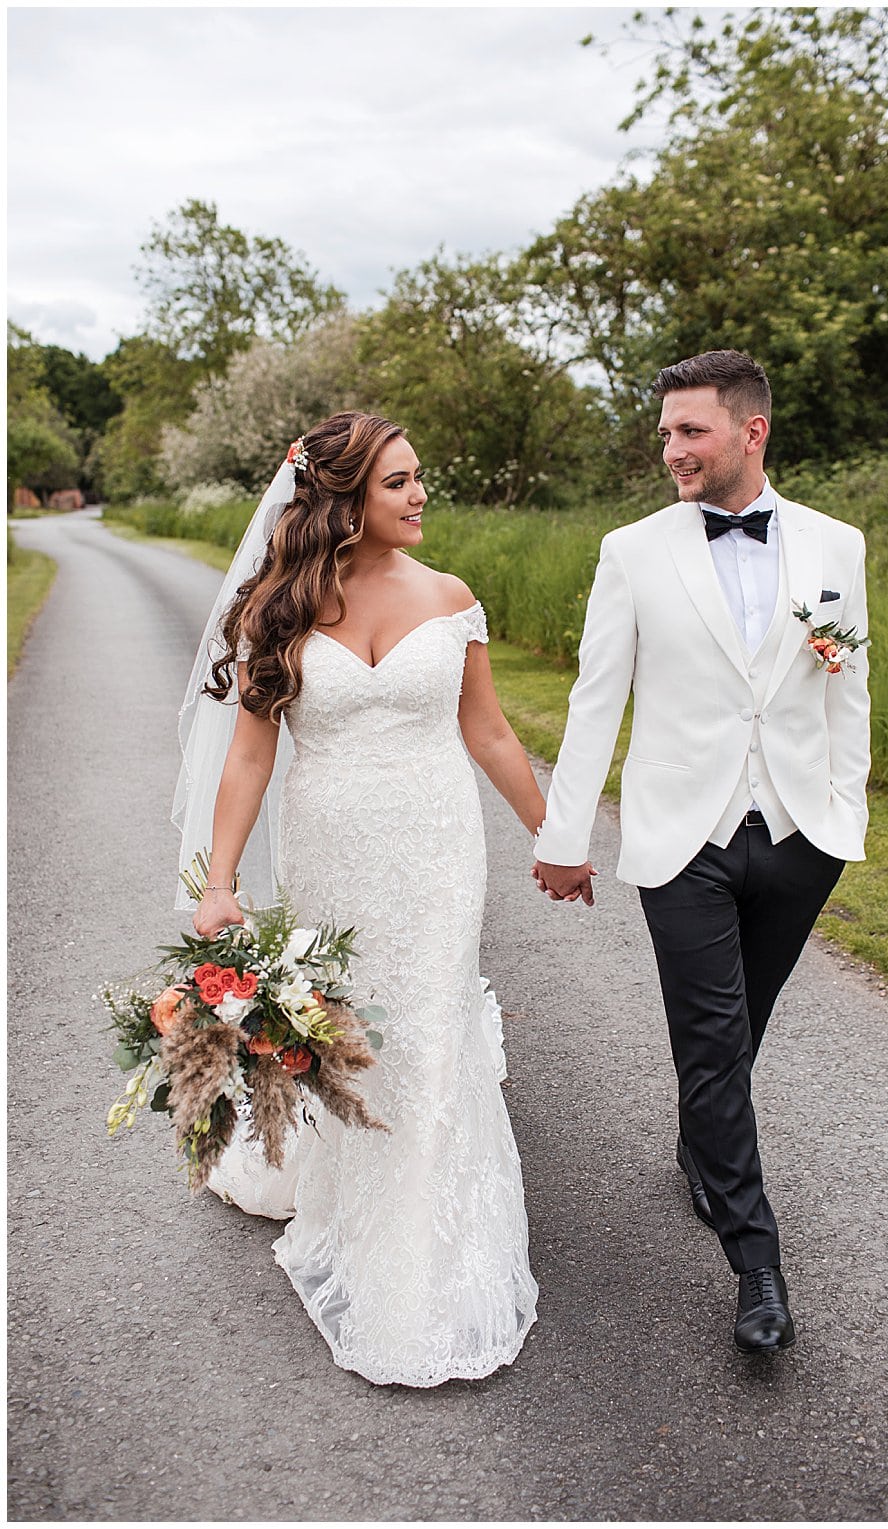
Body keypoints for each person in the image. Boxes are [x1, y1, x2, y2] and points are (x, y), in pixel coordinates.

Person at [175, 410, 544, 1387]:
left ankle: (419, 1259)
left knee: (426, 1023)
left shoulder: (452, 596)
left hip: (436, 845)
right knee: (348, 1028)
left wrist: (558, 831)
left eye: (420, 477)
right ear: (343, 499)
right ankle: (342, 1194)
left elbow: (494, 735)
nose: (420, 494)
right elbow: (251, 755)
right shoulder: (279, 609)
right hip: (329, 846)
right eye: (398, 482)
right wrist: (219, 880)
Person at [532, 350, 870, 1353]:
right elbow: (596, 699)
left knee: (741, 1026)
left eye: (691, 431)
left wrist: (841, 811)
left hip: (802, 834)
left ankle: (702, 1142)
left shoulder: (833, 545)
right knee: (712, 1039)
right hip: (683, 836)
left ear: (749, 431)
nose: (670, 448)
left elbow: (845, 683)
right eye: (666, 431)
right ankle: (755, 1262)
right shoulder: (632, 550)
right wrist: (563, 835)